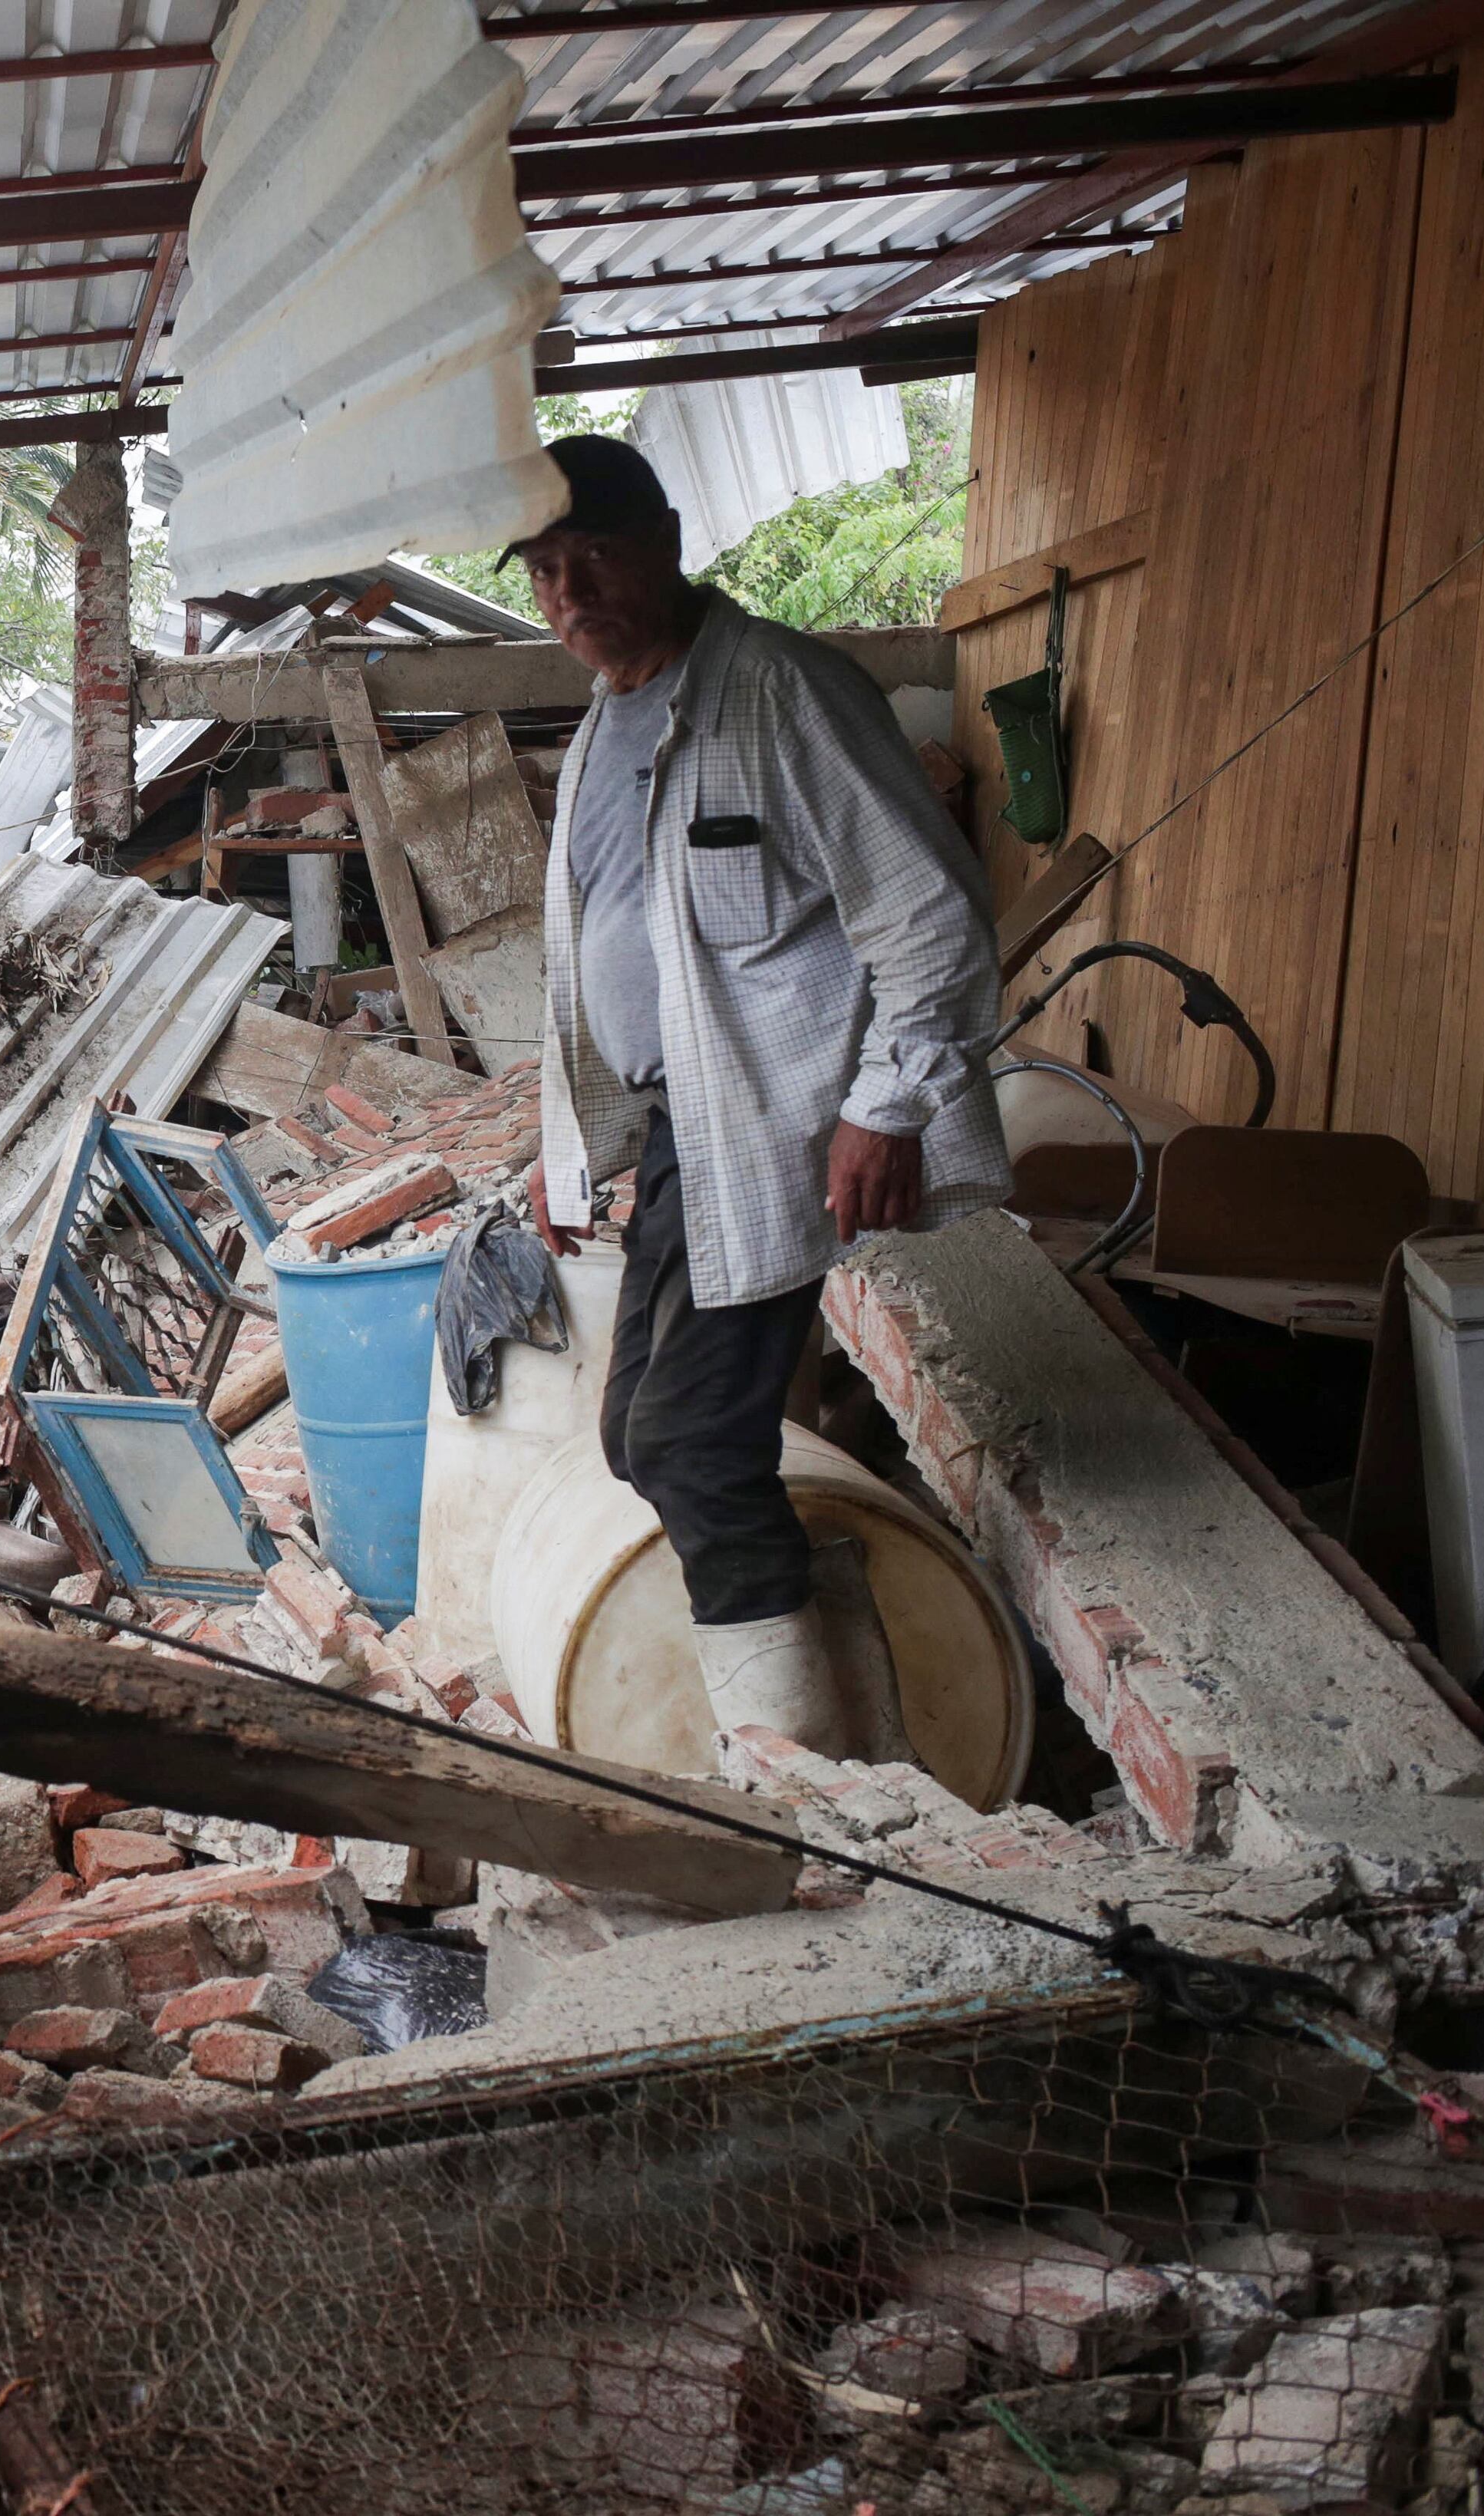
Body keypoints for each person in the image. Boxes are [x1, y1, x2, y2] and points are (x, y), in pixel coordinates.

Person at [515, 434, 1008, 1755]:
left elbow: (931, 917)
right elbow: (603, 957)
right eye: (547, 572)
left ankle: (807, 1778)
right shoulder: (598, 738)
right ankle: (843, 1664)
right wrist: (566, 1147)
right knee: (634, 1432)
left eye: (596, 558)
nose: (571, 594)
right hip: (687, 1135)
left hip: (784, 1129)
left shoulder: (786, 693)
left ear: (668, 541)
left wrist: (889, 1103)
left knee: (691, 1443)